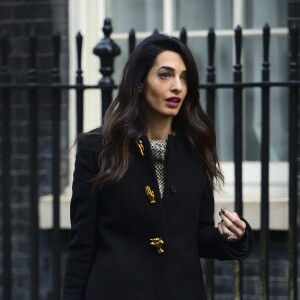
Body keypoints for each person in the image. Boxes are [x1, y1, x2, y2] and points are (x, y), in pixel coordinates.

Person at [62, 33, 254, 300]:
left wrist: (231, 235)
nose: (177, 86)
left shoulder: (196, 148)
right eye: (165, 75)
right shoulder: (98, 149)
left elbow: (196, 235)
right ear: (140, 82)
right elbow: (82, 245)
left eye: (184, 77)